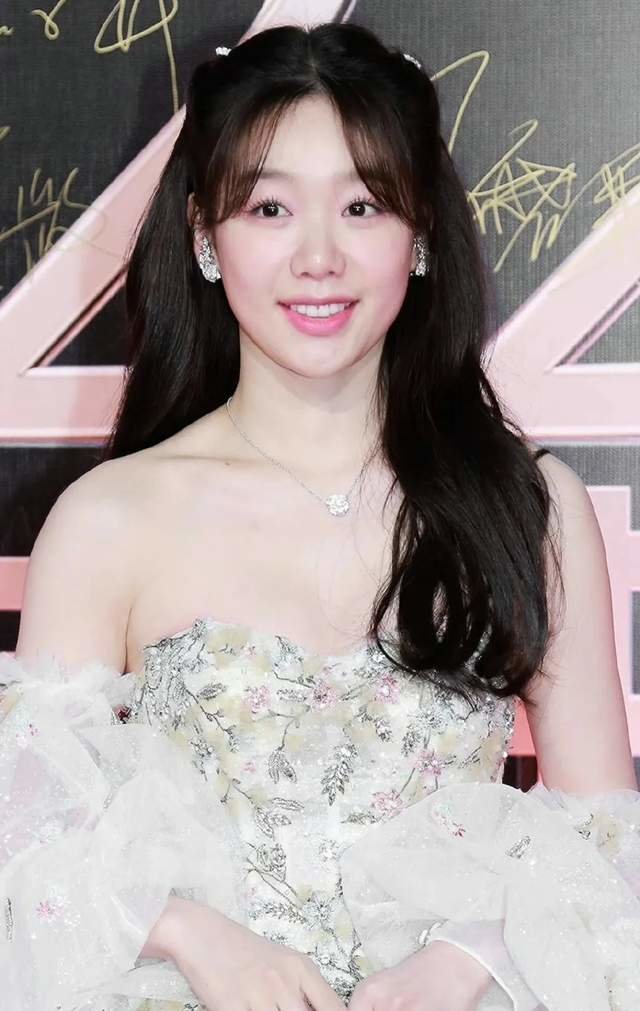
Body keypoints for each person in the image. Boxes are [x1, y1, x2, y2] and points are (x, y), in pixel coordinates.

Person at [1, 20, 638, 1011]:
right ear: (205, 235)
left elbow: (606, 836)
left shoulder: (528, 505)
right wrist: (194, 935)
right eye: (268, 208)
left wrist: (468, 959)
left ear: (421, 232)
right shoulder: (110, 520)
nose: (317, 258)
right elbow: (30, 832)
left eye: (362, 205)